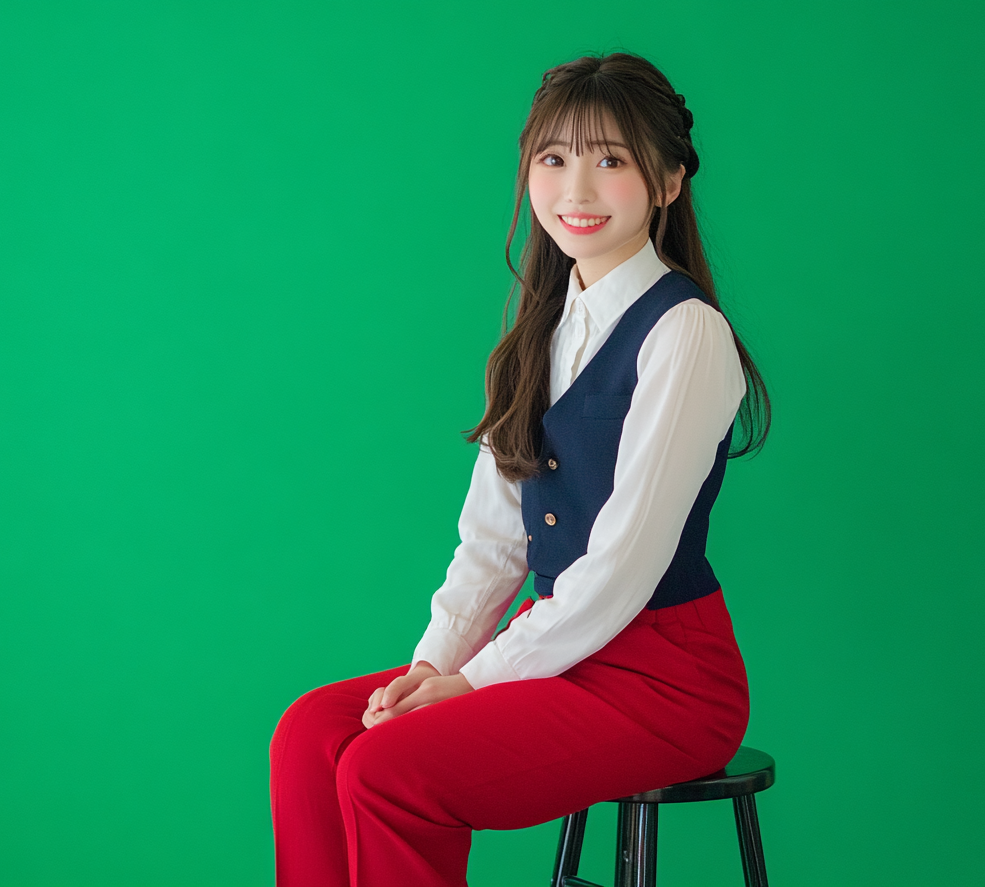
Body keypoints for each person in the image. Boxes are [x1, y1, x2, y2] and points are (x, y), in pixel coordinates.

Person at [269, 51, 772, 887]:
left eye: (610, 159)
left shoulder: (685, 334)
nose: (576, 189)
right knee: (311, 736)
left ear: (669, 181)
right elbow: (493, 540)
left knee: (386, 772)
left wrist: (474, 681)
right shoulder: (537, 337)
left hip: (664, 682)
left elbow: (624, 567)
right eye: (555, 158)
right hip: (559, 653)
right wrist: (434, 665)